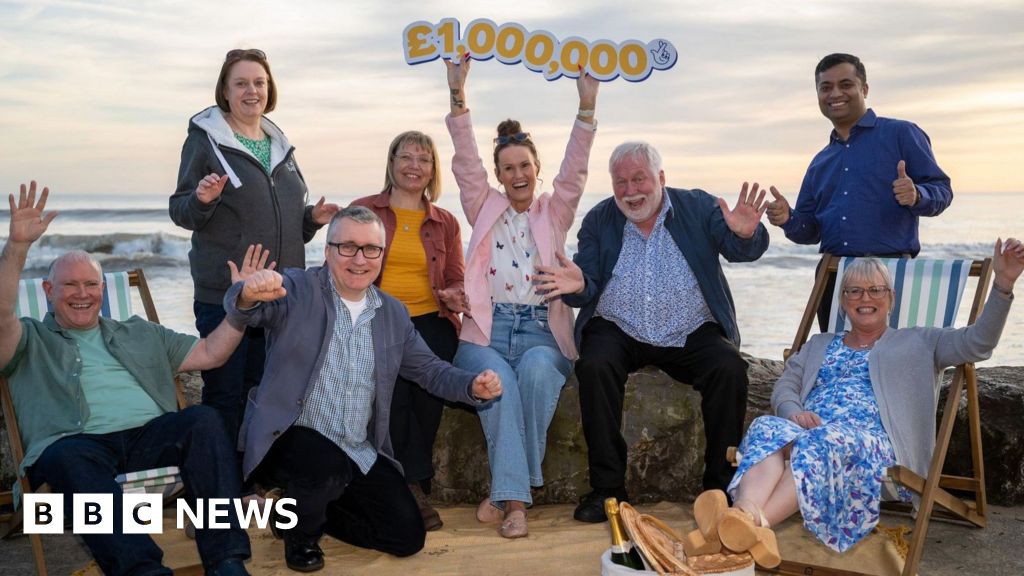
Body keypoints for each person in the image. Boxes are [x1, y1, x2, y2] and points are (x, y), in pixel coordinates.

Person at [1, 182, 261, 576]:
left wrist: (241, 306)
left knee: (203, 420)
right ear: (49, 290)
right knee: (69, 456)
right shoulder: (28, 338)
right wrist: (18, 247)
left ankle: (226, 562)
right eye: (69, 284)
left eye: (91, 284)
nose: (82, 294)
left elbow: (212, 353)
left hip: (147, 438)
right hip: (75, 446)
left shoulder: (139, 331)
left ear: (103, 290)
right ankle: (143, 571)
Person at [224, 206, 502, 572]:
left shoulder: (392, 314)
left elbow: (430, 371)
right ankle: (301, 535)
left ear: (382, 255)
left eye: (371, 249)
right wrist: (246, 295)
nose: (360, 259)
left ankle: (292, 513)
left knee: (407, 536)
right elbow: (248, 311)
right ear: (328, 251)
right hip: (289, 436)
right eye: (347, 247)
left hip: (355, 446)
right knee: (324, 466)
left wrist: (471, 385)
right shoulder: (296, 288)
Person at [721, 238, 1022, 554]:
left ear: (891, 298)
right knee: (767, 427)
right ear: (843, 301)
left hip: (875, 453)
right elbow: (786, 386)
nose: (865, 298)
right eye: (855, 291)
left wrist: (1003, 285)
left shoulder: (920, 342)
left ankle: (750, 527)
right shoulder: (819, 344)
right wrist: (793, 413)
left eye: (876, 290)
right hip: (808, 436)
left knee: (820, 441)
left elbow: (978, 343)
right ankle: (743, 516)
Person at [536, 141, 770, 523]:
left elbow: (740, 249)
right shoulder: (598, 220)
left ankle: (719, 488)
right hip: (620, 327)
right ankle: (607, 490)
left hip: (690, 329)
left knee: (729, 368)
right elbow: (585, 284)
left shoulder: (698, 206)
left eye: (639, 179)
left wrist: (745, 234)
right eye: (621, 182)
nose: (630, 191)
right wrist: (577, 286)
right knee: (594, 366)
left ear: (661, 177)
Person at [443, 54, 599, 539]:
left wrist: (587, 106)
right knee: (499, 383)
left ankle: (506, 491)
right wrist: (458, 93)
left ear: (536, 169)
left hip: (541, 332)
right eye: (508, 168)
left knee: (533, 373)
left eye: (525, 166)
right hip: (484, 332)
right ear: (498, 174)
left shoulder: (555, 212)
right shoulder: (482, 205)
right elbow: (465, 161)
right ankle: (516, 503)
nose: (517, 174)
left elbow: (576, 170)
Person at [169, 48, 339, 444]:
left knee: (270, 394)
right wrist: (202, 199)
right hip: (226, 294)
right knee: (226, 396)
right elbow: (181, 210)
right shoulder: (206, 141)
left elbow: (281, 224)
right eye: (241, 83)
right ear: (225, 91)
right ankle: (223, 475)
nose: (252, 91)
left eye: (259, 82)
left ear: (269, 89)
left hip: (281, 293)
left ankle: (259, 474)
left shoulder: (280, 144)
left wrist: (310, 220)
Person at [765, 53, 953, 330]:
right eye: (825, 87)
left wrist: (917, 195)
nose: (835, 94)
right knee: (835, 355)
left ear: (864, 89)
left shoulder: (901, 134)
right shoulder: (820, 161)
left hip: (889, 275)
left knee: (894, 356)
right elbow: (810, 231)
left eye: (845, 84)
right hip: (832, 276)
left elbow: (942, 190)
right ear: (818, 95)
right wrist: (787, 219)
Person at [349, 131, 466, 531]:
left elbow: (456, 278)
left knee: (431, 387)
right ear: (392, 162)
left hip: (431, 318)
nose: (414, 166)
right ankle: (414, 485)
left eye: (424, 159)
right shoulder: (364, 211)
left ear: (433, 171)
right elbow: (342, 266)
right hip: (376, 316)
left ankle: (407, 481)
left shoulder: (445, 222)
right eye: (406, 157)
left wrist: (454, 294)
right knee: (394, 387)